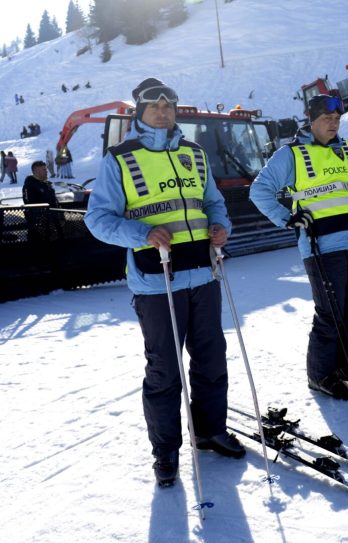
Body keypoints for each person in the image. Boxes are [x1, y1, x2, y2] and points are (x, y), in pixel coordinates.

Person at [85, 77, 244, 487]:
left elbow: (212, 203)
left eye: (169, 104)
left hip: (204, 273)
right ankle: (166, 451)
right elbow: (97, 219)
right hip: (157, 282)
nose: (163, 110)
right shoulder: (120, 158)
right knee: (165, 370)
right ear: (140, 110)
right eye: (154, 105)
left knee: (211, 360)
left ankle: (209, 430)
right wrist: (142, 234)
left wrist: (220, 226)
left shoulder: (194, 154)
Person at [250, 94, 348, 401]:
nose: (333, 124)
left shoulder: (344, 148)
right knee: (330, 314)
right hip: (322, 245)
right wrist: (287, 218)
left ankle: (347, 366)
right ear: (312, 120)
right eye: (326, 119)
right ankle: (319, 375)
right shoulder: (291, 154)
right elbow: (259, 190)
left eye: (336, 119)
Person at [23, 160, 61, 241]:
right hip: (40, 224)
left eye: (46, 169)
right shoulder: (30, 185)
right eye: (44, 170)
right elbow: (29, 204)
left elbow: (53, 200)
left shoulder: (46, 184)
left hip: (52, 220)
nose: (46, 171)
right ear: (36, 171)